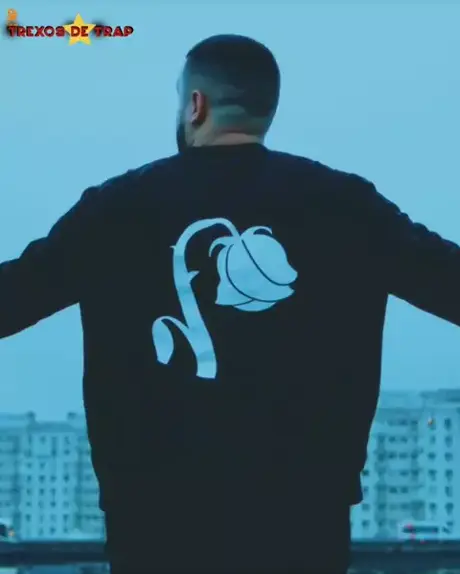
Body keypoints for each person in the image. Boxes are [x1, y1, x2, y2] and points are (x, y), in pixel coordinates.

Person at [1, 33, 459, 574]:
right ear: (267, 108)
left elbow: (14, 298)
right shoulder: (346, 206)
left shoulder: (117, 209)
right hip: (304, 525)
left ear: (195, 105)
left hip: (154, 525)